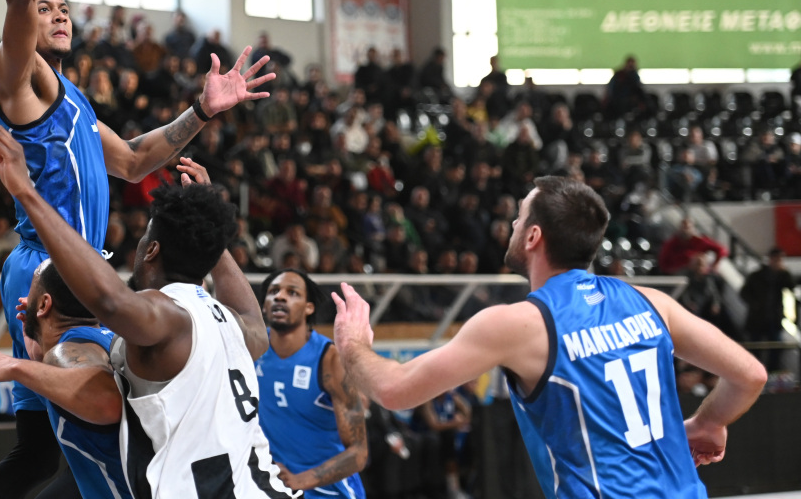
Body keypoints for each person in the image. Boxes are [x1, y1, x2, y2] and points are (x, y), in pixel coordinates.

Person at [0, 0, 275, 496]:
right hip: (52, 269)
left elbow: (138, 160)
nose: (57, 13)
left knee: (40, 452)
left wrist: (201, 109)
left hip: (79, 269)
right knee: (107, 425)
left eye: (63, 8)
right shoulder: (20, 83)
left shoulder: (73, 101)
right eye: (47, 8)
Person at [333, 176, 767, 498]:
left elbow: (393, 390)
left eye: (519, 217)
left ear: (534, 236)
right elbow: (750, 375)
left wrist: (353, 344)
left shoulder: (520, 323)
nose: (512, 225)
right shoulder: (652, 302)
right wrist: (709, 422)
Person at [0, 123, 298, 499]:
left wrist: (26, 192)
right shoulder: (233, 324)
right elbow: (254, 317)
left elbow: (109, 302)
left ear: (152, 250)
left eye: (145, 237)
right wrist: (208, 224)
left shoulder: (166, 314)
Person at [0, 259, 131, 499]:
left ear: (45, 303)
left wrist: (15, 366)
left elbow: (107, 402)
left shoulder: (67, 351)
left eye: (31, 291)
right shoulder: (101, 338)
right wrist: (38, 343)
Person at [257, 269, 367, 497]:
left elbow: (359, 453)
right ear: (264, 306)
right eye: (273, 291)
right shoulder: (253, 349)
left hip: (329, 490)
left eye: (292, 292)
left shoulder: (330, 360)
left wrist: (302, 479)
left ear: (309, 307)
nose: (280, 297)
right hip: (275, 486)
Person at [740, 248, 796, 372]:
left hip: (774, 319)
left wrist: (785, 273)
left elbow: (791, 288)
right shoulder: (756, 276)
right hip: (757, 318)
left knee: (776, 346)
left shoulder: (783, 276)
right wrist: (755, 304)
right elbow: (744, 293)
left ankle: (772, 372)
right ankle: (755, 372)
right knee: (755, 347)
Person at [658, 219, 728, 275]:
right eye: (683, 228)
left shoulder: (700, 241)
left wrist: (715, 264)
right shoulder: (671, 243)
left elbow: (721, 249)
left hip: (699, 274)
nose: (685, 231)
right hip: (680, 273)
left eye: (688, 228)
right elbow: (663, 263)